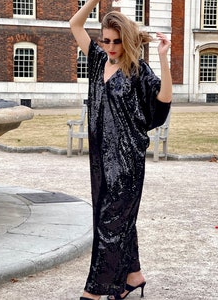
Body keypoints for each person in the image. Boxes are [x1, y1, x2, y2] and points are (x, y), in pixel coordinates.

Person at [69, 1, 172, 299]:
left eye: (116, 41)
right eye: (106, 40)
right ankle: (134, 276)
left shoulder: (137, 70)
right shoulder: (99, 60)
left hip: (127, 162)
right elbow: (75, 25)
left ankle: (94, 291)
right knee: (117, 221)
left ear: (125, 40)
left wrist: (164, 59)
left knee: (109, 225)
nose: (111, 46)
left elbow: (163, 99)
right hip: (101, 159)